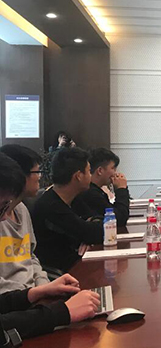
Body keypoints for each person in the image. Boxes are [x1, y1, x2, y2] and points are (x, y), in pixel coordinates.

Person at [0, 152, 101, 340]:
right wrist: (61, 312)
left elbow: (31, 256)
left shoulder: (23, 209)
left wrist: (38, 291)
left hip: (27, 305)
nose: (4, 217)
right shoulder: (48, 203)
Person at [32, 148, 103, 273]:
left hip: (74, 264)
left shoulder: (73, 198)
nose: (91, 176)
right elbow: (92, 233)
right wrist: (88, 235)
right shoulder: (51, 206)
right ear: (78, 176)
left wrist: (87, 235)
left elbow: (99, 223)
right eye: (88, 171)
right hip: (57, 272)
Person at [0, 145, 49, 293]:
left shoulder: (22, 209)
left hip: (31, 294)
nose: (39, 177)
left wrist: (44, 286)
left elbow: (30, 255)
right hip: (13, 299)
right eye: (37, 172)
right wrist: (31, 294)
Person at [78, 148, 130, 227]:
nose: (115, 173)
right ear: (100, 171)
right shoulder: (90, 193)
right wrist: (121, 189)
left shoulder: (96, 190)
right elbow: (119, 218)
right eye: (113, 168)